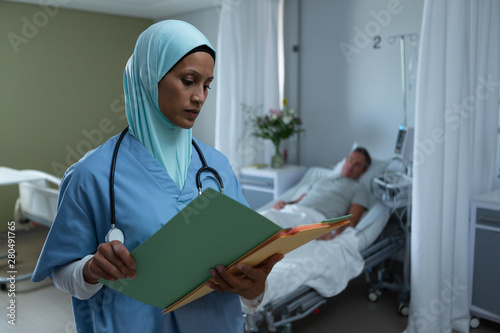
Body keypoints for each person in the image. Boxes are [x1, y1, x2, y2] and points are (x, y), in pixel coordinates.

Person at [32, 20, 282, 333]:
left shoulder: (217, 167)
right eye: (189, 81)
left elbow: (248, 260)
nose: (200, 97)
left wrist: (254, 290)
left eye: (206, 85)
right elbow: (62, 274)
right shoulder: (91, 175)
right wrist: (91, 269)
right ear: (150, 78)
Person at [268, 147, 372, 240]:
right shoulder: (322, 179)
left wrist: (335, 231)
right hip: (294, 210)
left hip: (315, 219)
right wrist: (285, 203)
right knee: (266, 218)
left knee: (277, 233)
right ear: (345, 159)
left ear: (364, 171)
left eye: (357, 165)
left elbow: (352, 218)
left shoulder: (359, 188)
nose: (350, 166)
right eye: (350, 160)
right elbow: (300, 200)